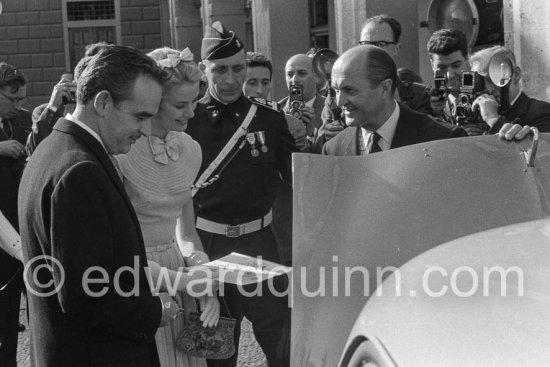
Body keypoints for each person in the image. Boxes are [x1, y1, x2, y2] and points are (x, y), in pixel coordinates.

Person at [18, 45, 179, 367]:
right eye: (140, 116)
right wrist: (156, 310)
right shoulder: (79, 171)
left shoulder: (55, 148)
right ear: (103, 102)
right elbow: (87, 295)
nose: (146, 130)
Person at [186, 21, 296, 367]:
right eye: (220, 69)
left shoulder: (269, 121)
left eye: (238, 68)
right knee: (215, 352)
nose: (231, 79)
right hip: (208, 248)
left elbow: (299, 177)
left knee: (283, 346)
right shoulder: (188, 120)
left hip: (259, 246)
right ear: (205, 70)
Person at [115, 46, 220, 367]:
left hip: (177, 270)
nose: (191, 112)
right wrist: (183, 281)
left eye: (194, 102)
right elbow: (115, 243)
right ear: (154, 102)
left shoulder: (191, 149)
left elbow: (186, 232)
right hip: (133, 273)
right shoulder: (121, 151)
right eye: (180, 104)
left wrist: (202, 277)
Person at [315, 14, 433, 151]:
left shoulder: (418, 95)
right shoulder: (334, 102)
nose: (370, 50)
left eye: (380, 44)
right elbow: (320, 147)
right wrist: (327, 135)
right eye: (365, 44)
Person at [323, 45, 467, 156]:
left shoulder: (444, 139)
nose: (340, 101)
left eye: (349, 90)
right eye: (336, 90)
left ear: (385, 88)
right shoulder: (334, 150)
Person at [243, 51, 306, 266]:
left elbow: (293, 172)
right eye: (251, 82)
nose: (259, 90)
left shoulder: (283, 122)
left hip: (276, 224)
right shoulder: (225, 123)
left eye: (265, 82)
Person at [0, 62, 31, 367]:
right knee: (4, 320)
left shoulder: (23, 120)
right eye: (13, 98)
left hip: (24, 230)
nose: (19, 105)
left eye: (23, 98)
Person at [26, 42, 110, 156]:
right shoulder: (44, 112)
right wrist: (53, 106)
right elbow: (34, 149)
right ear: (77, 84)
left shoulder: (113, 112)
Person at [469, 45, 550, 133]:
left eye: (493, 79)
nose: (488, 88)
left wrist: (493, 120)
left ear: (516, 75)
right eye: (481, 82)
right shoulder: (478, 117)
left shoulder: (542, 112)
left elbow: (534, 146)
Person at [280, 53, 326, 139]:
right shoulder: (277, 111)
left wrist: (312, 134)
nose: (294, 80)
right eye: (290, 74)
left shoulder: (329, 109)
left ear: (316, 77)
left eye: (302, 73)